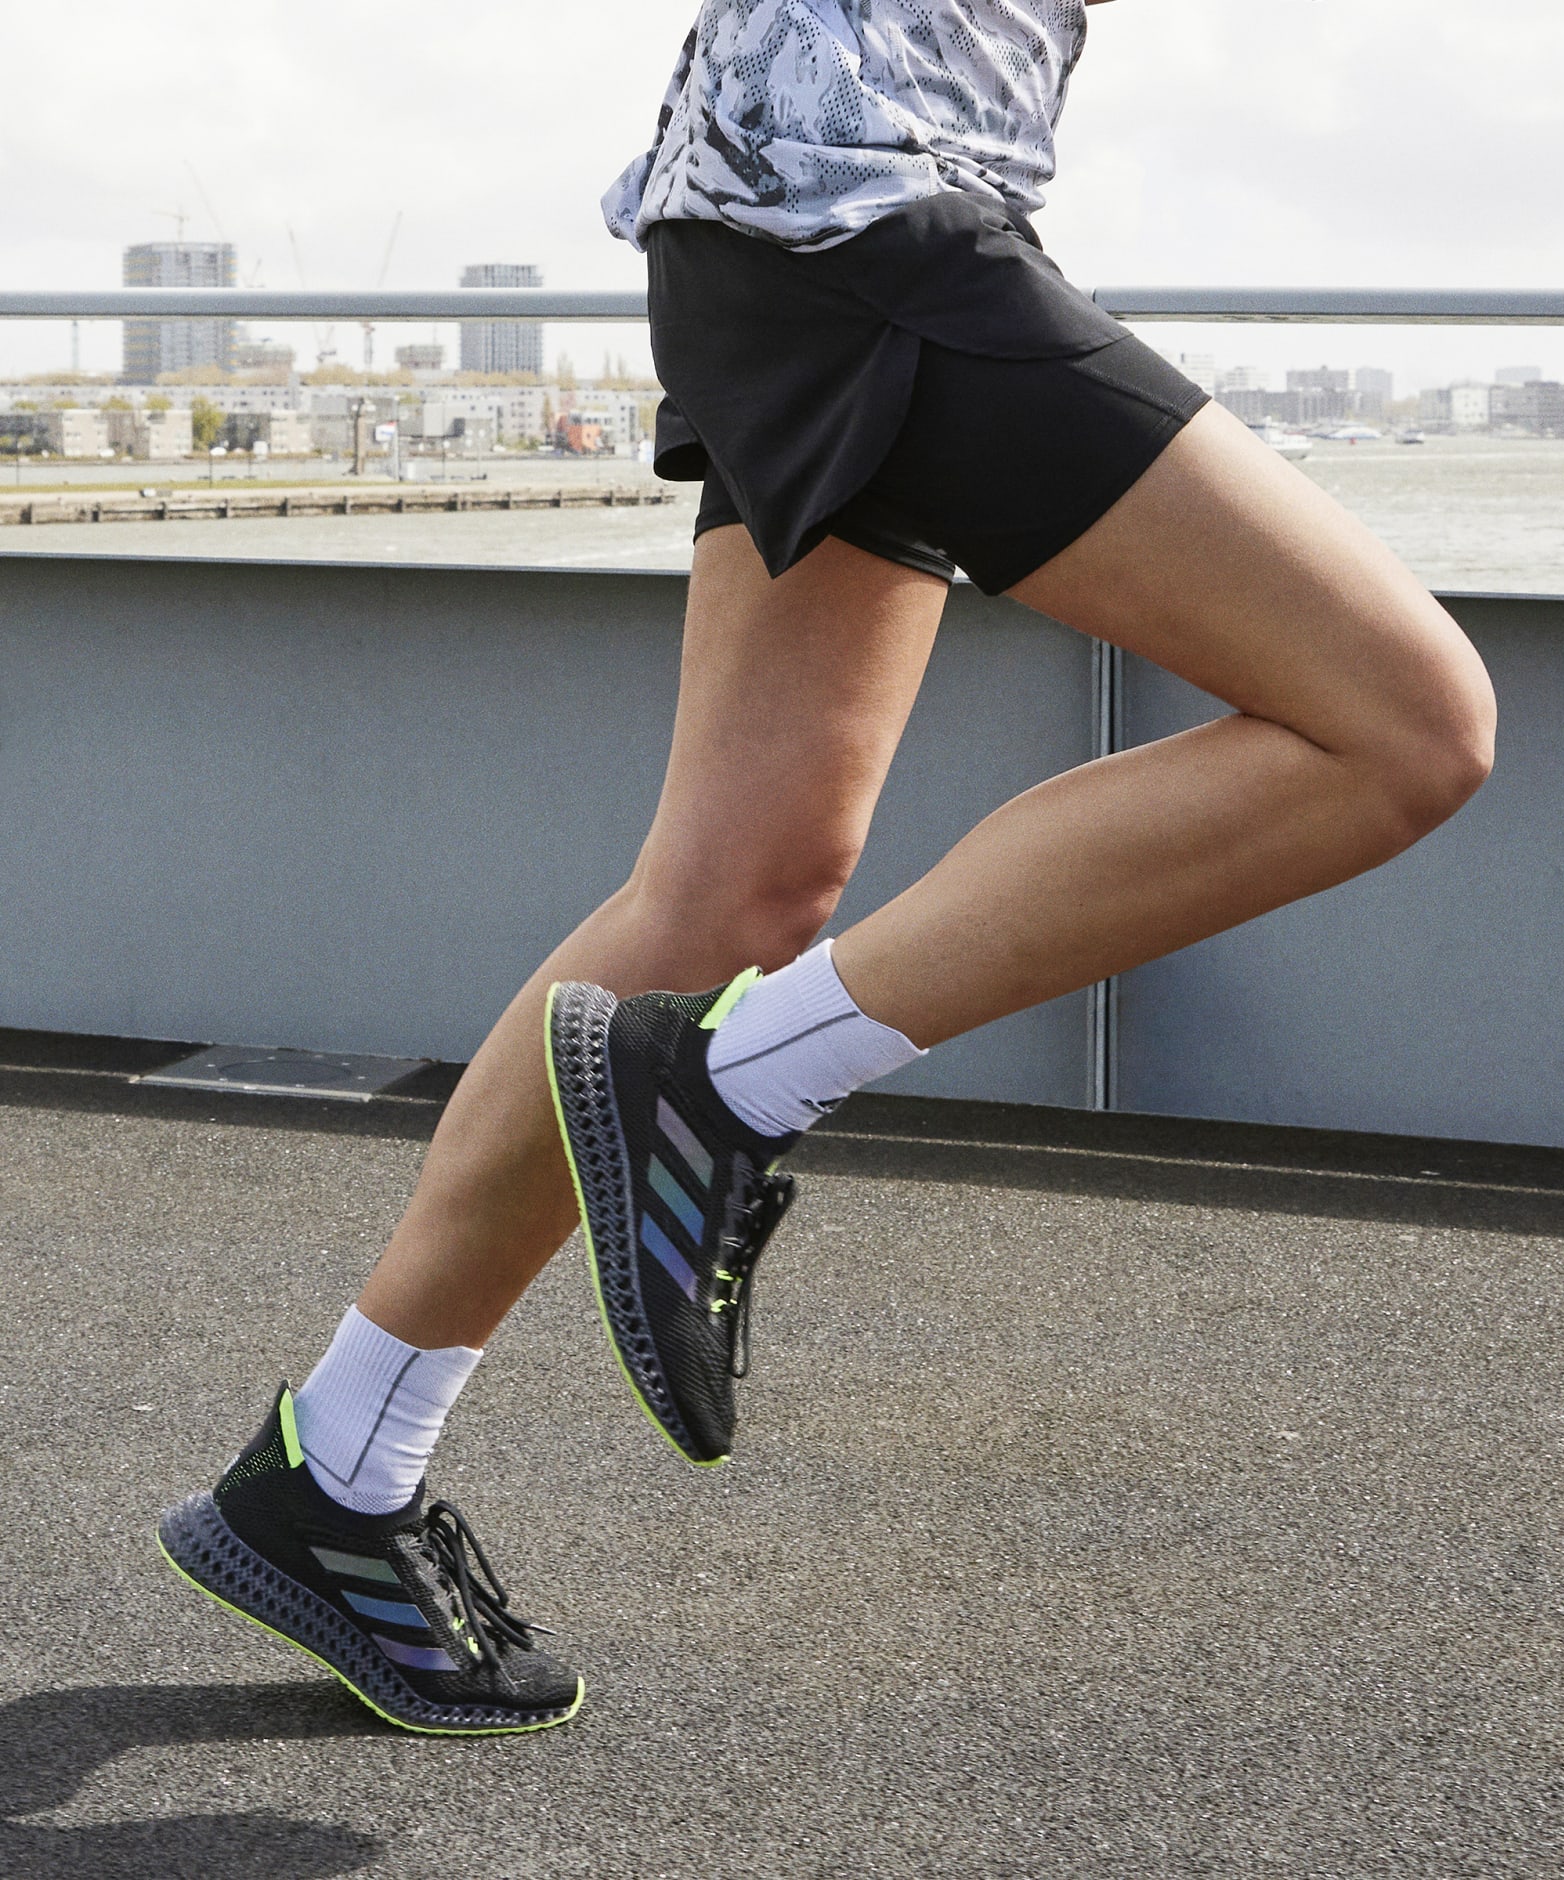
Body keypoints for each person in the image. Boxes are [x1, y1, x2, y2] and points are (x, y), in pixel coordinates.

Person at [159, 0, 1496, 1736]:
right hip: (858, 218)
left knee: (733, 894)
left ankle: (335, 1468)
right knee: (1402, 727)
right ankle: (729, 1086)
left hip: (805, 221)